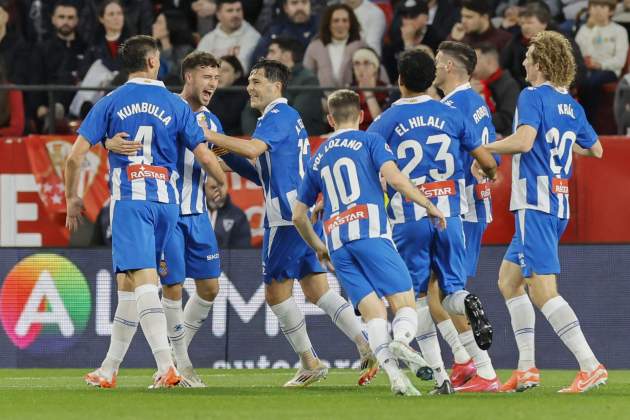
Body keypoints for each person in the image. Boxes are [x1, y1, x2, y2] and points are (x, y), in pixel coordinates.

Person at [205, 59, 378, 388]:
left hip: (284, 217)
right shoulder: (285, 118)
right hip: (298, 209)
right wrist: (223, 154)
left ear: (276, 86)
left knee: (275, 294)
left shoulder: (277, 116)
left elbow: (254, 150)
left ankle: (311, 362)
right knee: (316, 289)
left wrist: (211, 135)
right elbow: (259, 170)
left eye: (256, 82)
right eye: (250, 82)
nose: (250, 88)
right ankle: (366, 343)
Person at [67, 35, 226, 389]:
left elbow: (74, 157)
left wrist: (72, 199)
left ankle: (167, 364)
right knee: (128, 284)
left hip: (132, 202)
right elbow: (203, 154)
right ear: (153, 62)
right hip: (168, 204)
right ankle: (109, 368)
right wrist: (220, 179)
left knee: (143, 282)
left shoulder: (110, 101)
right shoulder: (174, 104)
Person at [293, 89, 446, 396]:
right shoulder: (370, 141)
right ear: (361, 116)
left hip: (336, 242)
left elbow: (299, 215)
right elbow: (397, 180)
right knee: (405, 304)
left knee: (374, 312)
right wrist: (429, 205)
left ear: (330, 118)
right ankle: (402, 342)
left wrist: (318, 247)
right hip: (371, 231)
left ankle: (396, 379)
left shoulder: (318, 153)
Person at [367, 49, 499, 393]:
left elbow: (372, 167)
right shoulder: (451, 114)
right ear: (431, 80)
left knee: (416, 299)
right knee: (452, 292)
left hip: (409, 218)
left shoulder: (386, 122)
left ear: (399, 81)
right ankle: (468, 303)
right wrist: (489, 171)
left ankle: (441, 375)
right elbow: (486, 159)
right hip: (450, 217)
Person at [483, 31, 606, 393]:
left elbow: (523, 142)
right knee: (508, 281)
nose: (523, 62)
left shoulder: (532, 96)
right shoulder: (572, 105)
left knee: (544, 291)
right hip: (558, 201)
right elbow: (596, 149)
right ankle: (526, 369)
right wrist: (564, 148)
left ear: (541, 63)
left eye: (529, 56)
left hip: (535, 203)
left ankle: (590, 364)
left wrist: (480, 147)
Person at [422, 40, 501, 393]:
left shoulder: (452, 107)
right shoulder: (476, 103)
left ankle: (479, 368)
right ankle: (464, 361)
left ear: (451, 67)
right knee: (437, 288)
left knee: (443, 290)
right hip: (473, 205)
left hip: (461, 206)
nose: (434, 68)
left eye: (438, 62)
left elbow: (460, 161)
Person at [243, 36, 326, 135]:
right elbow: (249, 112)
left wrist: (268, 139)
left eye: (272, 52)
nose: (267, 57)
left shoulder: (308, 80)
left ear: (286, 55)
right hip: (265, 140)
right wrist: (255, 136)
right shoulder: (265, 79)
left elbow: (297, 116)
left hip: (300, 142)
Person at [500, 2, 587, 89]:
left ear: (544, 24)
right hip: (521, 90)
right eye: (522, 23)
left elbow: (578, 71)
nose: (525, 27)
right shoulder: (516, 41)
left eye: (529, 23)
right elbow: (504, 67)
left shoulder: (562, 42)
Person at [30, 1, 86, 132]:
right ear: (53, 19)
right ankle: (54, 115)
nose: (66, 21)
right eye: (62, 17)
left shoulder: (86, 48)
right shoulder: (42, 49)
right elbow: (36, 79)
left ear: (77, 20)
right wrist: (38, 106)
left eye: (70, 17)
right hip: (50, 103)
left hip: (80, 104)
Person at [576, 0, 629, 123]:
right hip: (585, 69)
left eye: (602, 6)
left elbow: (620, 60)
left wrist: (600, 64)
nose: (597, 10)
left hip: (609, 71)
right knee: (582, 81)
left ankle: (590, 123)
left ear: (611, 11)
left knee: (590, 83)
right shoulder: (584, 29)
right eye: (594, 6)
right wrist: (591, 29)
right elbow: (578, 52)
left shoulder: (619, 31)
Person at [303, 4, 367, 88]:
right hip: (323, 99)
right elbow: (306, 78)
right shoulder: (315, 47)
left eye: (345, 20)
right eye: (336, 21)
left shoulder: (361, 46)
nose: (340, 25)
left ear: (351, 24)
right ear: (328, 24)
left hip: (354, 98)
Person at [196, 0, 261, 72]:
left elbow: (241, 68)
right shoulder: (208, 39)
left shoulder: (253, 36)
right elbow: (197, 68)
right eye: (230, 11)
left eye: (238, 10)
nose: (235, 14)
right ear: (218, 15)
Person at [472, 43, 520, 137]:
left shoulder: (509, 85)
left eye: (474, 61)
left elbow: (507, 119)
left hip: (503, 142)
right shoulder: (474, 84)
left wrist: (474, 119)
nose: (471, 66)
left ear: (489, 61)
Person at [252, 0, 319, 62]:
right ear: (285, 8)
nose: (300, 8)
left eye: (304, 2)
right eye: (294, 3)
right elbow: (258, 58)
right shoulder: (274, 30)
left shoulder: (320, 26)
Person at [206, 175, 252, 248]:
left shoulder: (238, 216)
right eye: (213, 187)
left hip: (227, 259)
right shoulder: (194, 214)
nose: (219, 192)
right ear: (204, 188)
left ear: (227, 186)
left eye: (222, 186)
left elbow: (242, 252)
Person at [448, 0, 513, 52]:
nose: (463, 21)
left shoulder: (504, 40)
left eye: (469, 17)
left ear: (485, 17)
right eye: (462, 16)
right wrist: (453, 40)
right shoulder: (460, 36)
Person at [209, 55, 249, 135]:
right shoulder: (211, 92)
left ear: (237, 74)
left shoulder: (245, 93)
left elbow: (226, 121)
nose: (219, 74)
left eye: (225, 70)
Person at [152, 10, 195, 85]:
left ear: (170, 25)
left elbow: (175, 76)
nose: (154, 25)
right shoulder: (153, 50)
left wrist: (166, 44)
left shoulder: (186, 51)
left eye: (159, 23)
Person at [351, 47, 388, 130]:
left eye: (366, 63)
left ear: (375, 67)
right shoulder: (349, 90)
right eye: (357, 63)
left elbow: (381, 124)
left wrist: (368, 93)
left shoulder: (386, 91)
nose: (361, 68)